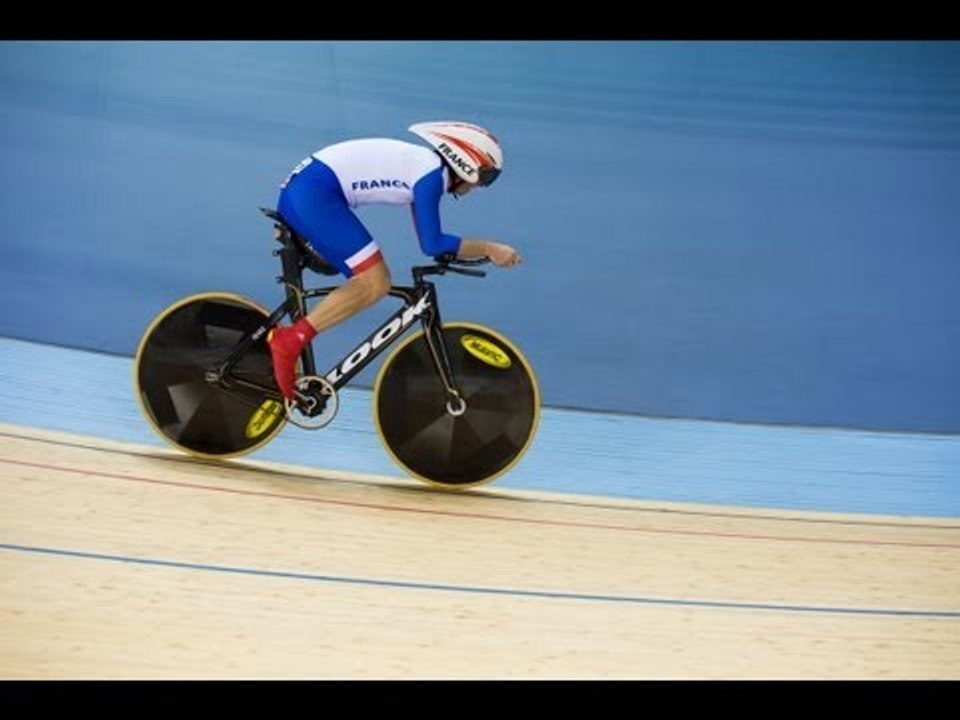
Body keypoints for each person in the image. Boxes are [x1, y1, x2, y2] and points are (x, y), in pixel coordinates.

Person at [267, 121, 522, 401]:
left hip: (310, 192)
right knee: (375, 282)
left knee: (372, 280)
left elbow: (430, 242)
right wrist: (491, 248)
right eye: (485, 177)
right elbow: (432, 244)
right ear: (466, 162)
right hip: (314, 196)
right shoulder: (430, 177)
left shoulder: (425, 168)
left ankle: (295, 338)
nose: (481, 186)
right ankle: (291, 340)